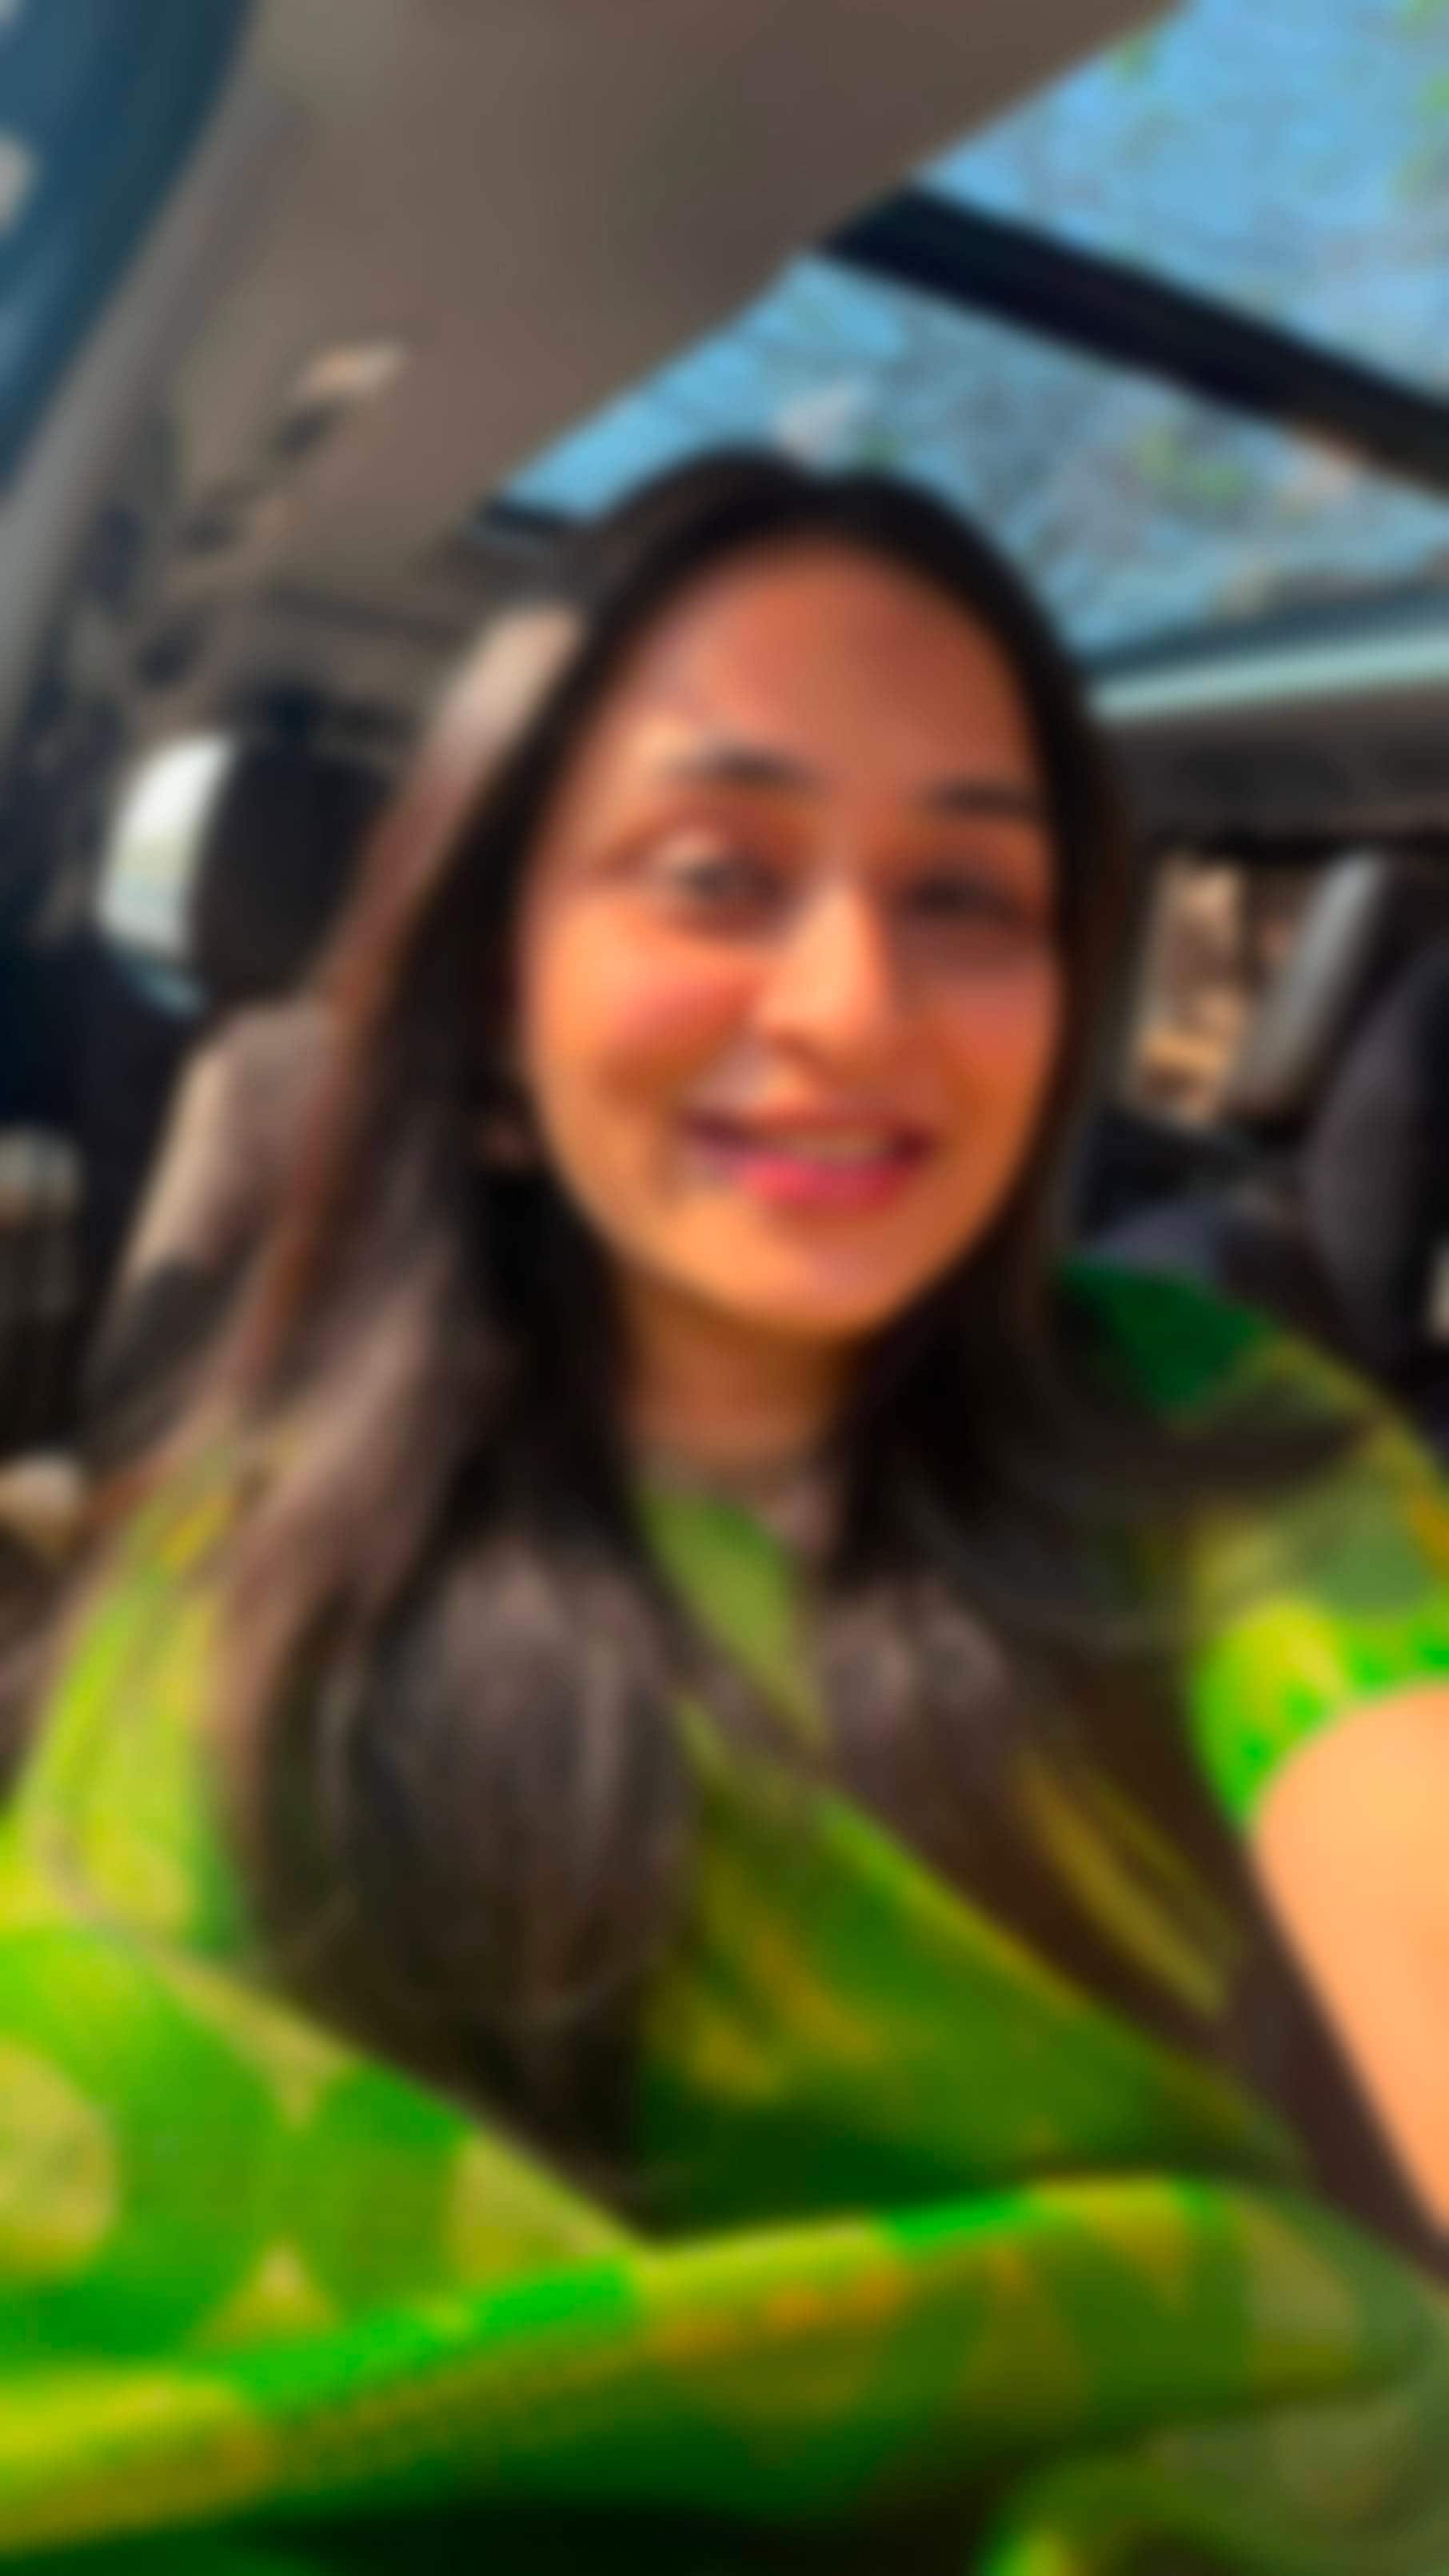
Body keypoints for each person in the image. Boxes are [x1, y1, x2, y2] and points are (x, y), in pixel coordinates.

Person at [4, 453, 1449, 2576]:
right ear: (495, 996)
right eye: (711, 873)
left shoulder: (1217, 1445)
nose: (852, 1006)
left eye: (967, 898)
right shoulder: (249, 1578)